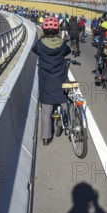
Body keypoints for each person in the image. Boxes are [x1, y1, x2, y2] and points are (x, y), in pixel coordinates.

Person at [32, 16, 71, 146]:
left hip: (46, 81)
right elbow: (67, 51)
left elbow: (34, 50)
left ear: (43, 29)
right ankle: (67, 123)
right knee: (64, 99)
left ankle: (46, 138)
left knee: (46, 109)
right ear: (57, 30)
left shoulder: (39, 44)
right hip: (60, 79)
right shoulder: (62, 44)